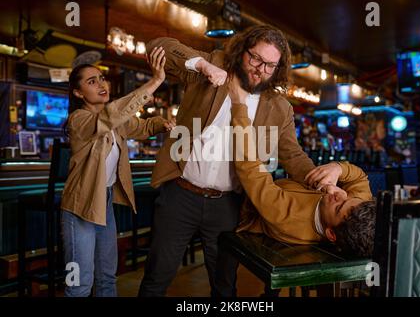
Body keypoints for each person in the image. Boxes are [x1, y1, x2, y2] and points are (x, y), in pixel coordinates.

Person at [139, 25, 316, 297]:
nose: (261, 69)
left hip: (229, 205)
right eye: (256, 58)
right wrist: (202, 66)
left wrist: (319, 178)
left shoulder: (280, 108)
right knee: (156, 277)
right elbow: (156, 45)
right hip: (180, 194)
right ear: (241, 50)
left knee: (224, 286)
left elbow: (293, 155)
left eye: (270, 65)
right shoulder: (211, 67)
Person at [60, 47, 175, 297]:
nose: (101, 83)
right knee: (79, 284)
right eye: (92, 81)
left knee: (107, 278)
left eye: (102, 78)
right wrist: (155, 81)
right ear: (78, 93)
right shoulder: (79, 120)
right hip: (80, 206)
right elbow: (112, 117)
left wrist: (162, 123)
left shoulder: (114, 120)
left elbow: (142, 126)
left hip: (105, 201)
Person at [228, 75, 376, 258]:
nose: (338, 194)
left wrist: (238, 105)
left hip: (242, 202)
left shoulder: (286, 217)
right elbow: (360, 178)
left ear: (330, 233)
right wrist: (338, 168)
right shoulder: (358, 206)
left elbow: (250, 168)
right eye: (348, 197)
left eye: (338, 206)